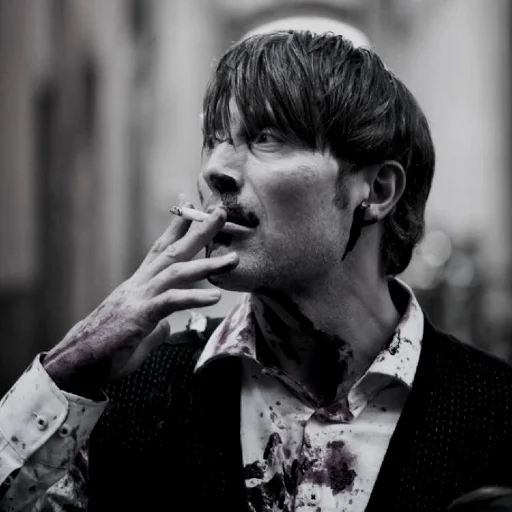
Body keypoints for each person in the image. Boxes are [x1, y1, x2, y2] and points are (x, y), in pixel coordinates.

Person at [1, 24, 512, 512]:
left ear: (376, 191)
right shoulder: (134, 393)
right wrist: (67, 369)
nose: (214, 170)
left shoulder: (496, 410)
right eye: (215, 138)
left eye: (267, 137)